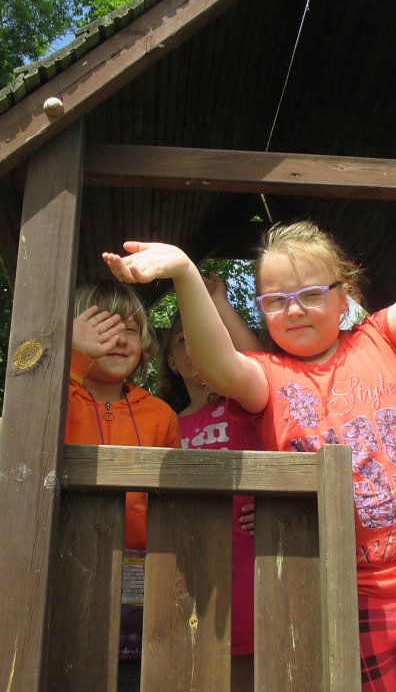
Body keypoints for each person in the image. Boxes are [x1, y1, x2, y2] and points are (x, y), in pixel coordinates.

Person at [104, 149, 396, 691]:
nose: (294, 310)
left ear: (343, 298)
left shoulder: (384, 340)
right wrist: (185, 273)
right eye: (276, 300)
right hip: (339, 588)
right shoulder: (266, 378)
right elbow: (218, 363)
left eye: (312, 294)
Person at [68, 280, 181, 692]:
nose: (118, 339)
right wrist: (71, 354)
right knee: (66, 660)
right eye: (102, 326)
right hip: (67, 558)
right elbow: (28, 394)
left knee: (134, 675)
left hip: (143, 573)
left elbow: (175, 502)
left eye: (130, 330)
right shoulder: (56, 397)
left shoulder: (161, 415)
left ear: (145, 344)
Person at [156, 276, 263, 691]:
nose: (196, 344)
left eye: (206, 333)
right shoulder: (166, 423)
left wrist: (218, 303)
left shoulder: (245, 403)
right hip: (192, 569)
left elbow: (259, 360)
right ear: (170, 360)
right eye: (184, 339)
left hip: (253, 560)